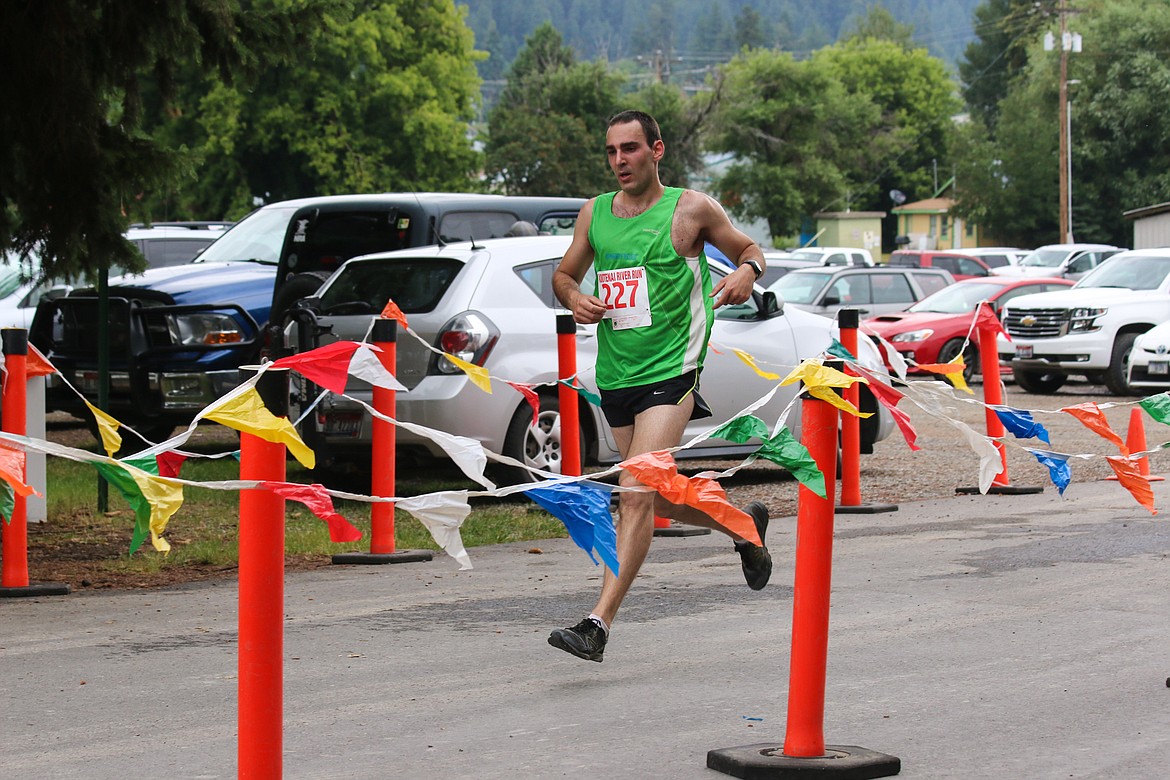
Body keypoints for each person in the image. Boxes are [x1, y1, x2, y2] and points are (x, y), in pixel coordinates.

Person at [548, 109, 772, 663]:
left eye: (630, 148)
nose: (620, 160)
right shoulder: (595, 213)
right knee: (657, 492)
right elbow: (563, 274)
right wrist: (575, 298)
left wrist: (747, 272)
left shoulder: (691, 208)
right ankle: (742, 523)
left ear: (657, 150)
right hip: (617, 373)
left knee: (635, 491)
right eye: (611, 151)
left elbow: (749, 251)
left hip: (673, 370)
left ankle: (597, 623)